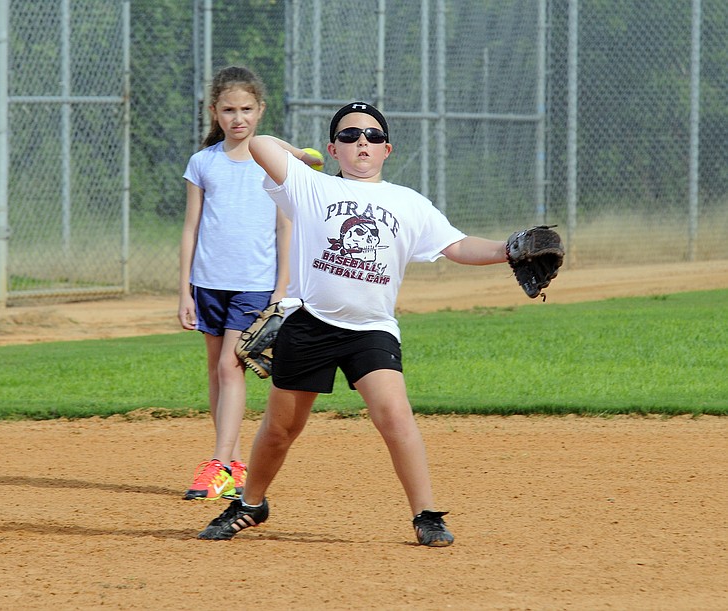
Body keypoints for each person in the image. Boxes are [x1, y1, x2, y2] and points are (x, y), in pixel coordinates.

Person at [197, 101, 511, 546]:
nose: (361, 141)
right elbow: (262, 144)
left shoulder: (407, 202)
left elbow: (458, 246)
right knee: (281, 430)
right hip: (310, 323)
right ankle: (251, 503)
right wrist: (303, 159)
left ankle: (426, 514)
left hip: (372, 328)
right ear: (334, 148)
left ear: (387, 150)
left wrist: (510, 248)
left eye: (372, 135)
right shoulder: (310, 186)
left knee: (395, 416)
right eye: (349, 136)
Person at [178, 66, 291, 501]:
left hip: (254, 283)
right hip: (208, 283)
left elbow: (286, 229)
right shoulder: (203, 163)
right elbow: (190, 228)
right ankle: (234, 462)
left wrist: (282, 287)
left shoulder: (272, 163)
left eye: (246, 109)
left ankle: (219, 464)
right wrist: (184, 289)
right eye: (228, 109)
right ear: (214, 112)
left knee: (231, 366)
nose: (237, 118)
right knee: (216, 371)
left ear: (260, 111)